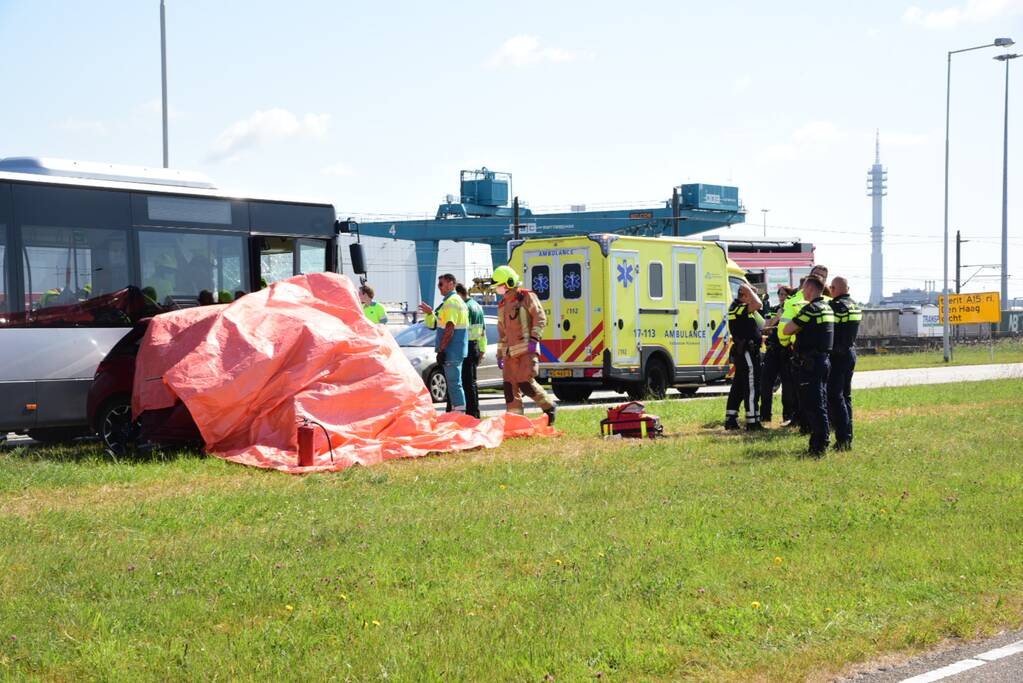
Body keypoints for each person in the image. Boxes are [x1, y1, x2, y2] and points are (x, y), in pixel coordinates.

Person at [492, 265, 556, 425]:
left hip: (527, 348)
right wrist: (500, 354)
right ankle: (516, 421)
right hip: (509, 354)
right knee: (509, 387)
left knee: (525, 382)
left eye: (499, 285)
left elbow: (540, 317)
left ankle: (549, 406)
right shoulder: (502, 305)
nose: (497, 289)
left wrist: (534, 340)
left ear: (509, 282)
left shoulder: (526, 297)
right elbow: (502, 332)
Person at [782, 275, 834, 457]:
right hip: (822, 361)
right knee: (820, 402)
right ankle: (822, 439)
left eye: (804, 288)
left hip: (810, 363)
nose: (802, 291)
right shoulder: (827, 307)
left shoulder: (810, 309)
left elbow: (786, 329)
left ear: (811, 289)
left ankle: (819, 444)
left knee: (813, 404)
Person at [419, 273, 470, 413]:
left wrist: (441, 350)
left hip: (452, 350)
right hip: (456, 349)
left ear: (451, 284)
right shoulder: (452, 301)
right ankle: (457, 410)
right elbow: (437, 325)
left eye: (441, 284)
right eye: (438, 285)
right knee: (454, 383)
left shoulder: (451, 302)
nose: (439, 288)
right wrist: (430, 313)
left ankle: (459, 412)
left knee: (454, 383)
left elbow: (449, 328)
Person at [827, 277, 861, 451]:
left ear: (834, 288)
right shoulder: (855, 305)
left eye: (831, 288)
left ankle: (843, 438)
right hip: (850, 353)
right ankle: (848, 436)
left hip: (838, 355)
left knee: (834, 396)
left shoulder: (835, 307)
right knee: (845, 396)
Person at [725, 283, 764, 430]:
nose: (754, 298)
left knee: (739, 386)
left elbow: (762, 323)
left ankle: (731, 418)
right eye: (752, 295)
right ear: (745, 295)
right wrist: (749, 290)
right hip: (747, 352)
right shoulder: (738, 307)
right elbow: (758, 304)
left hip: (746, 351)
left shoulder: (741, 308)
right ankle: (753, 422)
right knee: (752, 386)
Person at [444, 283, 487, 418]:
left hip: (464, 346)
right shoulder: (478, 306)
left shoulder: (465, 307)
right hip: (475, 346)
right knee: (471, 383)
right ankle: (474, 413)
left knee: (459, 383)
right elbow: (483, 331)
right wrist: (482, 350)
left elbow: (460, 329)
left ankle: (463, 414)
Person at [760, 285, 797, 424]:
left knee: (788, 385)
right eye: (780, 294)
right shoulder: (775, 310)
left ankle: (787, 416)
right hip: (772, 350)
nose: (782, 297)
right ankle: (765, 416)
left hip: (786, 351)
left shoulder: (792, 309)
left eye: (784, 294)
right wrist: (778, 317)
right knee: (765, 383)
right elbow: (766, 326)